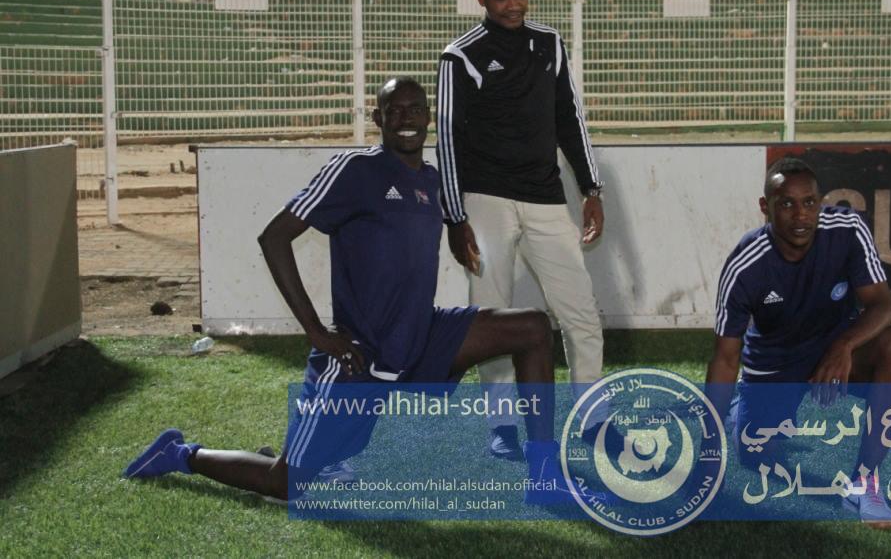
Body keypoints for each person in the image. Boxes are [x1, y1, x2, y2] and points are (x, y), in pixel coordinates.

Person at [123, 78, 569, 505]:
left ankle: (544, 474)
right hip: (361, 355)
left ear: (428, 117)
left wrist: (457, 228)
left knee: (531, 327)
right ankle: (181, 454)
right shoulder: (356, 170)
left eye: (415, 110)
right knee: (287, 482)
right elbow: (274, 237)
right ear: (378, 118)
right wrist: (317, 332)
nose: (406, 119)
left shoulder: (430, 181)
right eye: (395, 111)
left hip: (421, 337)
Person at [436, 0, 607, 460]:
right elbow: (446, 140)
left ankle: (593, 419)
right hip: (485, 200)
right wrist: (454, 217)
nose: (513, 6)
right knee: (492, 317)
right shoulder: (460, 56)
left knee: (581, 312)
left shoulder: (549, 44)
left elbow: (569, 119)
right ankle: (503, 425)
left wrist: (591, 189)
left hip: (546, 198)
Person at [704, 157, 891, 528]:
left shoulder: (847, 229)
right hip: (775, 365)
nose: (800, 215)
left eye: (809, 202)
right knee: (757, 456)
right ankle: (743, 412)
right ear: (765, 206)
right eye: (786, 203)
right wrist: (707, 454)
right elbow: (725, 358)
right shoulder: (745, 265)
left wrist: (843, 346)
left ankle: (864, 483)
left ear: (820, 202)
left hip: (834, 346)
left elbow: (883, 305)